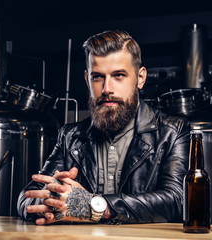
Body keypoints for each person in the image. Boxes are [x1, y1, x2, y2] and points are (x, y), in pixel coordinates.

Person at [17, 30, 190, 225]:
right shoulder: (69, 136)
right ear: (86, 79)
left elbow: (177, 200)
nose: (107, 88)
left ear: (140, 78)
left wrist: (94, 206)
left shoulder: (172, 132)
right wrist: (50, 199)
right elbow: (27, 198)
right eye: (97, 77)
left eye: (118, 75)